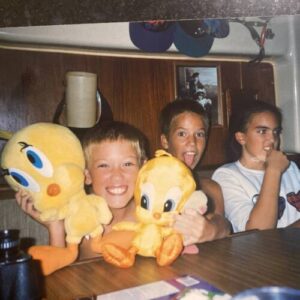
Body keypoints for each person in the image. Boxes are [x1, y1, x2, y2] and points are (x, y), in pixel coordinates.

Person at [15, 121, 149, 259]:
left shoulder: (153, 214)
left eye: (127, 164)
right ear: (87, 175)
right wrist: (56, 227)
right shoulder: (76, 216)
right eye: (103, 165)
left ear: (144, 169)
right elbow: (59, 277)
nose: (116, 175)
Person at [212, 100, 300, 233]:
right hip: (262, 253)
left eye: (275, 131)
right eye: (262, 131)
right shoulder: (227, 175)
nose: (272, 139)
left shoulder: (291, 168)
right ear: (241, 138)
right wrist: (273, 170)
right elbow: (259, 233)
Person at [159, 99, 232, 245]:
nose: (192, 142)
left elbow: (222, 223)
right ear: (165, 141)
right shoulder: (151, 185)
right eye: (182, 134)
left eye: (199, 134)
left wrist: (213, 229)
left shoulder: (211, 187)